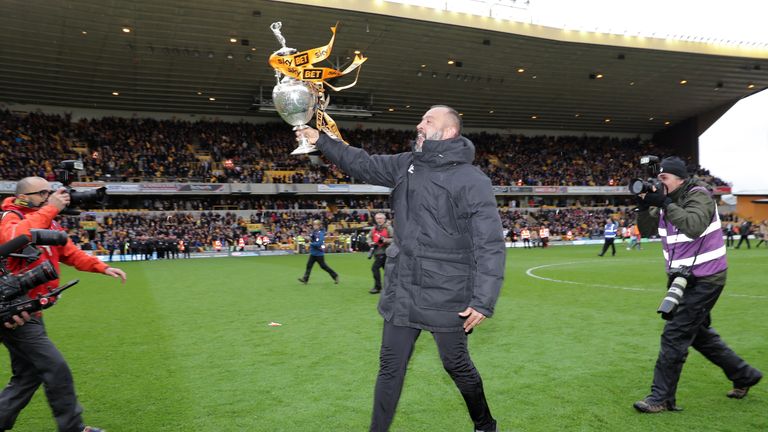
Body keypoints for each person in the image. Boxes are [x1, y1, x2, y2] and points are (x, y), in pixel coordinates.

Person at [297, 105, 505, 432]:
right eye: (422, 119)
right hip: (403, 288)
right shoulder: (406, 164)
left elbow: (490, 242)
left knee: (457, 365)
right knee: (390, 367)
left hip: (447, 293)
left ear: (449, 131)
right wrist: (320, 139)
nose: (419, 125)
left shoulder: (471, 180)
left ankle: (485, 424)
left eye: (428, 121)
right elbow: (361, 162)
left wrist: (483, 299)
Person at [634, 157, 762, 413]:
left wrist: (665, 203)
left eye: (663, 179)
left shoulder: (699, 194)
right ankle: (744, 375)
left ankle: (661, 398)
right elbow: (646, 230)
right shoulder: (665, 199)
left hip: (706, 276)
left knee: (675, 334)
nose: (660, 184)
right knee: (698, 335)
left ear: (679, 178)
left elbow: (693, 226)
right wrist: (645, 204)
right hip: (681, 276)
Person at [0, 177, 127, 432]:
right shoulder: (9, 216)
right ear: (25, 196)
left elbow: (69, 252)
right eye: (44, 193)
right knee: (55, 368)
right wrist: (51, 208)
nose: (52, 197)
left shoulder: (47, 219)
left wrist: (101, 267)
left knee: (28, 375)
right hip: (13, 309)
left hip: (28, 308)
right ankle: (73, 428)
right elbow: (12, 238)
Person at [297, 219, 339, 285]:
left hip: (319, 254)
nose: (314, 226)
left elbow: (319, 243)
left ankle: (335, 275)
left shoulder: (320, 234)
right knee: (309, 265)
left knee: (324, 266)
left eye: (315, 225)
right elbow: (311, 239)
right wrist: (306, 238)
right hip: (313, 253)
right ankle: (305, 279)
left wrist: (311, 243)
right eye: (314, 225)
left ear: (319, 226)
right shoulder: (314, 232)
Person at [367, 213, 392, 294]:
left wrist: (385, 240)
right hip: (377, 252)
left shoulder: (389, 228)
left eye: (381, 218)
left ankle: (377, 287)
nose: (379, 220)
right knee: (388, 271)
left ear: (384, 219)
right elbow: (369, 237)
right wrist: (370, 242)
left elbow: (395, 239)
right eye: (377, 218)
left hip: (385, 252)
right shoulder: (374, 228)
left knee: (374, 268)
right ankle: (391, 287)